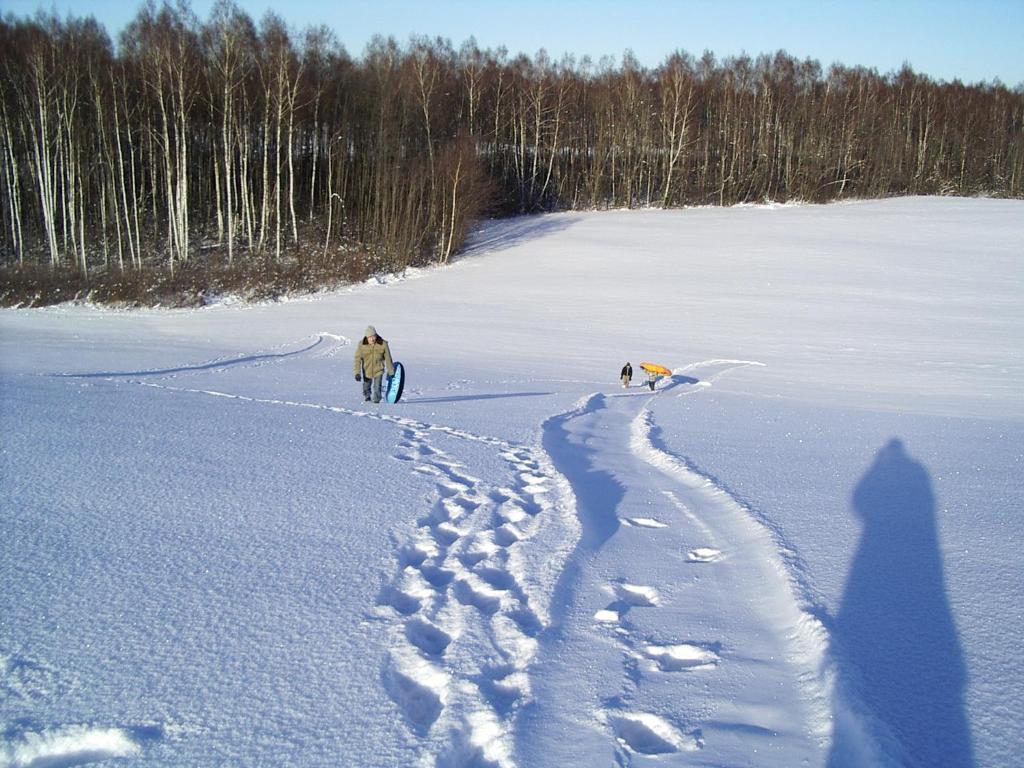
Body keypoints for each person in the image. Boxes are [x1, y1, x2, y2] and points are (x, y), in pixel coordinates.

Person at [354, 325, 395, 403]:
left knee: (377, 387)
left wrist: (391, 371)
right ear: (366, 337)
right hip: (367, 369)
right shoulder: (361, 344)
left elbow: (388, 358)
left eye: (373, 336)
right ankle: (367, 397)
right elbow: (357, 359)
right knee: (366, 386)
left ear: (376, 335)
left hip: (378, 369)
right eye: (370, 337)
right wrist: (357, 373)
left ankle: (376, 402)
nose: (372, 339)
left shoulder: (383, 344)